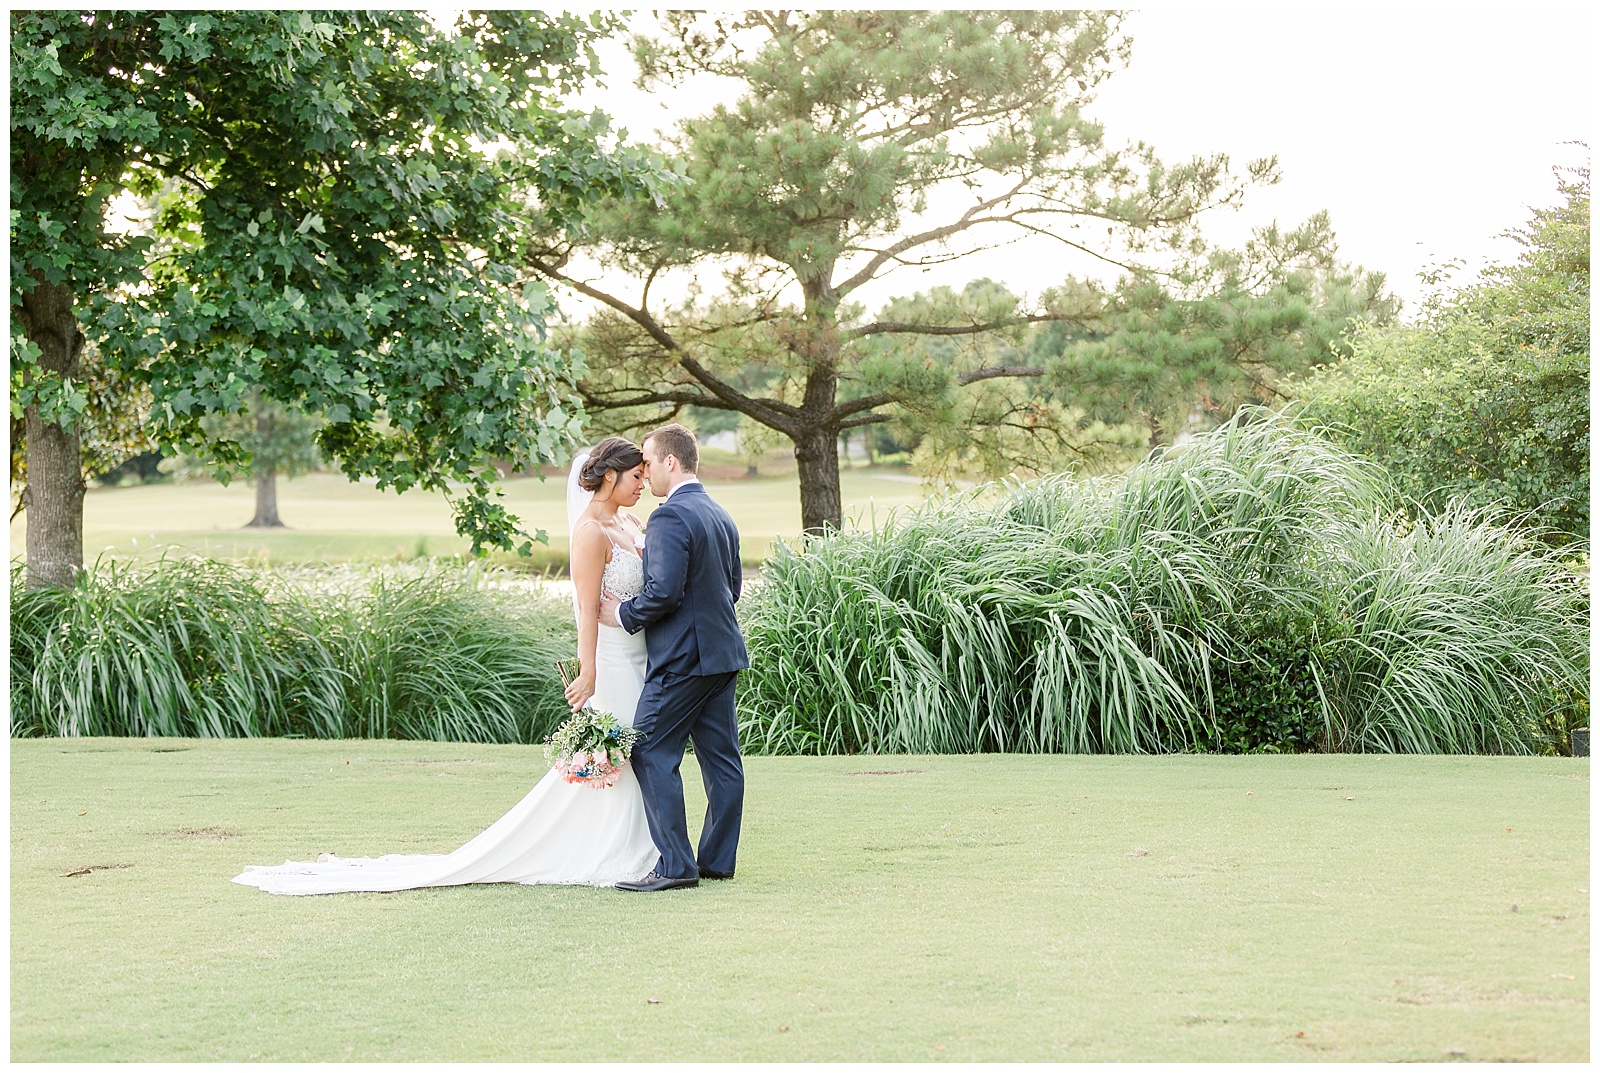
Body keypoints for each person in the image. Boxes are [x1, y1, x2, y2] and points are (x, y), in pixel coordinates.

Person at [230, 438, 658, 895]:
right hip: (612, 660)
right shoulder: (590, 531)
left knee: (639, 750)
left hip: (641, 655)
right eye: (636, 477)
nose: (643, 486)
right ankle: (622, 848)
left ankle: (640, 842)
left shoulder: (630, 520)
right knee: (625, 749)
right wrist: (586, 672)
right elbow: (587, 607)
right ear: (609, 477)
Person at [599, 422, 749, 892]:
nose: (643, 471)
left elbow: (663, 592)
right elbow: (734, 589)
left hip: (684, 660)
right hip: (724, 654)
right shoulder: (720, 514)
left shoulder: (668, 517)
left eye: (647, 461)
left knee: (648, 750)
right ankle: (717, 861)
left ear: (670, 462)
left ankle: (676, 866)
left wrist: (621, 613)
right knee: (722, 760)